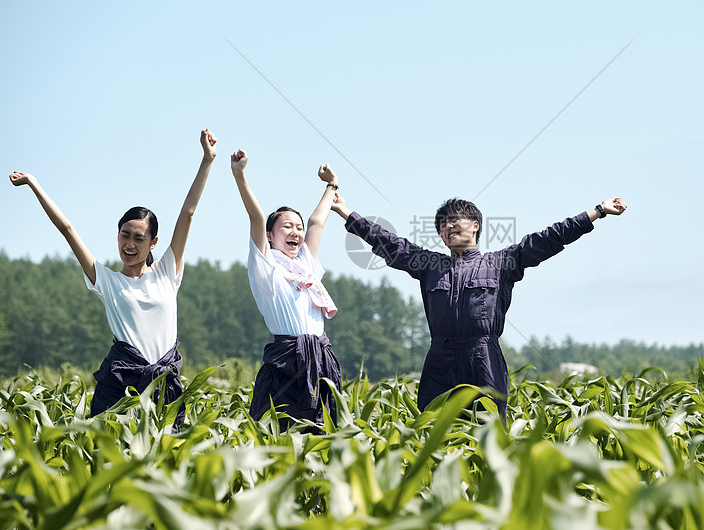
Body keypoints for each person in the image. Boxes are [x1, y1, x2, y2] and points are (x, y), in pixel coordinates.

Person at [330, 193, 627, 423]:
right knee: (433, 432)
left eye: (453, 220)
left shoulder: (501, 263)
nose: (447, 227)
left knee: (489, 434)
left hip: (483, 358)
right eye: (442, 224)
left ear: (475, 225)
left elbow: (549, 238)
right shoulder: (430, 265)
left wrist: (597, 212)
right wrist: (346, 212)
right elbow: (390, 243)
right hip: (440, 361)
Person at [9, 129, 218, 430]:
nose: (129, 245)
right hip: (121, 384)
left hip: (164, 386)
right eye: (124, 235)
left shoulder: (167, 272)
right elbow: (67, 229)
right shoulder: (106, 280)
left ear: (153, 242)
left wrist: (207, 160)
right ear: (117, 235)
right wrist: (33, 183)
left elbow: (187, 213)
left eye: (138, 238)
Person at [230, 149, 342, 431]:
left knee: (324, 434)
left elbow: (317, 222)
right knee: (280, 433)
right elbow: (256, 218)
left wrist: (332, 186)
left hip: (320, 360)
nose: (296, 232)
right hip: (286, 361)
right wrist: (240, 175)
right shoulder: (266, 267)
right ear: (270, 236)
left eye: (298, 227)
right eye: (287, 227)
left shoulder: (306, 265)